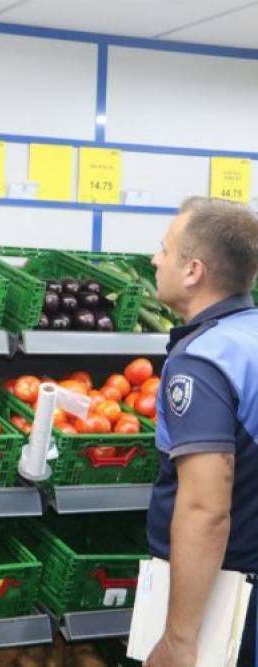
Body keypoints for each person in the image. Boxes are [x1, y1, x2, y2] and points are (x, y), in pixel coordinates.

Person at [144, 197, 258, 667]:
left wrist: (179, 639)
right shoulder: (248, 336)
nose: (155, 259)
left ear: (193, 271)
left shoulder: (203, 362)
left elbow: (205, 509)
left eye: (164, 250)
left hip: (231, 600)